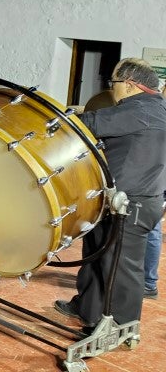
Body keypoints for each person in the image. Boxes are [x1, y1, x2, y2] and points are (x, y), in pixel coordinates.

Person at [54, 58, 166, 332]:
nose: (111, 90)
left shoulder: (139, 110)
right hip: (120, 199)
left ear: (129, 85)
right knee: (96, 253)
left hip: (131, 204)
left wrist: (64, 116)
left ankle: (119, 326)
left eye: (113, 83)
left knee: (120, 266)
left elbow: (88, 123)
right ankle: (88, 308)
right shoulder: (156, 108)